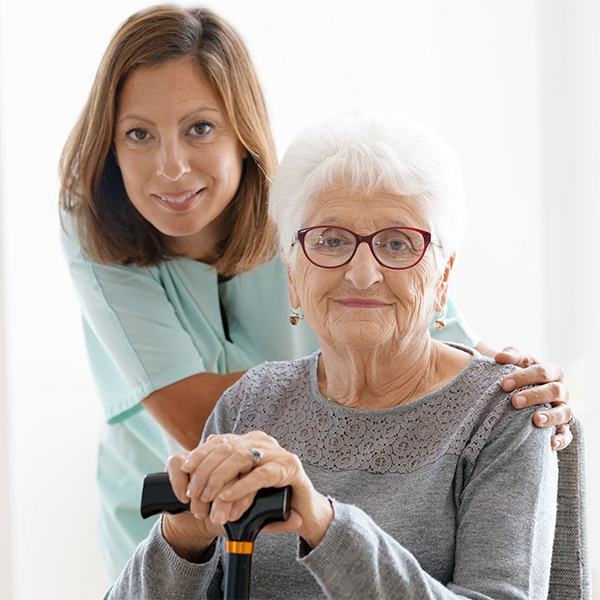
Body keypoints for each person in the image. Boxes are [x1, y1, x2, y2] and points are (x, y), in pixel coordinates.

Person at [59, 5, 572, 582]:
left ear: (240, 131)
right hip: (175, 500)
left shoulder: (313, 204)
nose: (172, 166)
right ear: (292, 273)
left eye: (199, 127)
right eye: (139, 133)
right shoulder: (246, 404)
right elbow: (201, 426)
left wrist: (516, 385)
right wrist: (186, 528)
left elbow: (432, 335)